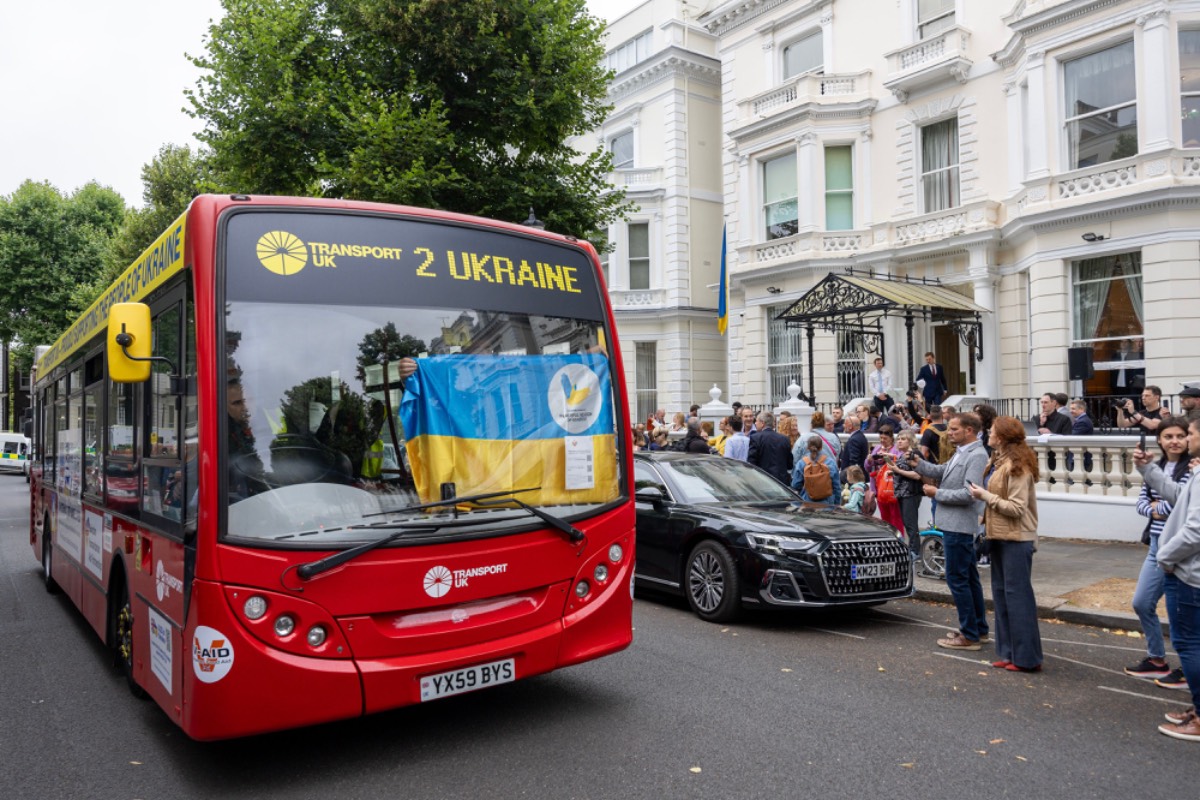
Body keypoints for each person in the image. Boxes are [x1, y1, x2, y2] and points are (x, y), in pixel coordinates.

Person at [1133, 416, 1200, 741]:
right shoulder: (1193, 471)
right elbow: (1171, 494)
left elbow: (1195, 529)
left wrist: (1165, 556)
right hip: (1177, 560)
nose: (1183, 439)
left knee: (1188, 643)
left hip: (1184, 566)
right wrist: (1148, 469)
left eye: (1188, 433)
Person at [967, 416, 1043, 672]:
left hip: (1017, 538)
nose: (988, 433)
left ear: (1001, 436)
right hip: (998, 536)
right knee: (1001, 595)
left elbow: (1017, 508)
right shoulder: (998, 460)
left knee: (1018, 597)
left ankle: (1027, 659)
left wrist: (984, 495)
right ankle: (1009, 653)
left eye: (991, 431)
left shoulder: (1017, 465)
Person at [910, 412, 990, 650]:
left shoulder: (976, 455)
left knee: (957, 579)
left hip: (959, 526)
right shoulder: (963, 451)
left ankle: (969, 636)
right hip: (955, 525)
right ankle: (978, 629)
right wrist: (919, 464)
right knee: (970, 578)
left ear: (969, 431)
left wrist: (937, 494)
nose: (949, 433)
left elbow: (969, 494)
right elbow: (944, 471)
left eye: (954, 429)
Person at [1125, 418, 1193, 683]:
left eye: (1179, 435)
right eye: (1168, 436)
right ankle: (1156, 659)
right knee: (1142, 602)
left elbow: (1184, 504)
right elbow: (1142, 504)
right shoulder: (1159, 466)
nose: (1174, 441)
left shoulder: (1193, 467)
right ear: (1160, 441)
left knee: (1182, 614)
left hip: (1181, 547)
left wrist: (1158, 508)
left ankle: (1189, 668)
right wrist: (1156, 508)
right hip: (1156, 545)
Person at [890, 429, 925, 559]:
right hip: (903, 493)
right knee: (907, 522)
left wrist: (897, 470)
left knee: (911, 523)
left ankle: (915, 551)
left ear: (910, 441)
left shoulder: (914, 454)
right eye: (898, 438)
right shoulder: (903, 454)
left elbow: (917, 475)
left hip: (910, 492)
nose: (899, 441)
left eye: (903, 439)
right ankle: (912, 549)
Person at [867, 424, 903, 533]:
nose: (882, 440)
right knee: (884, 518)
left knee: (896, 517)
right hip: (880, 488)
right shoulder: (877, 448)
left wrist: (887, 456)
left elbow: (900, 465)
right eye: (881, 438)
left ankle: (899, 540)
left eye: (885, 438)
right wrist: (869, 460)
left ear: (891, 438)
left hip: (892, 488)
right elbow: (868, 468)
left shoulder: (897, 449)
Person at [792, 434, 841, 506]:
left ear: (808, 448)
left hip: (807, 503)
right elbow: (836, 487)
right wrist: (837, 504)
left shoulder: (801, 463)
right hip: (827, 504)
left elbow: (796, 485)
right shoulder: (831, 463)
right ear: (821, 447)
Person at [748, 411, 793, 485]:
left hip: (763, 481)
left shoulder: (755, 438)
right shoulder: (784, 439)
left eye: (756, 421)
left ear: (762, 423)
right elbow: (790, 464)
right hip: (782, 483)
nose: (755, 423)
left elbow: (751, 463)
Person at [838, 414, 869, 482]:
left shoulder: (854, 439)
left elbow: (854, 461)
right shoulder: (860, 436)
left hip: (853, 478)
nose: (843, 425)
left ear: (850, 426)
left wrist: (850, 477)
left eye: (845, 424)